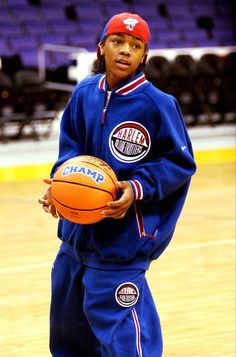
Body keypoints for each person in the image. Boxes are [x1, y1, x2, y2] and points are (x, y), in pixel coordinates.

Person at [38, 12, 196, 357]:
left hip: (120, 246)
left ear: (144, 57)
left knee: (125, 339)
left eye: (135, 45)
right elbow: (71, 152)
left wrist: (136, 188)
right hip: (74, 240)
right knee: (67, 336)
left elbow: (180, 162)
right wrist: (59, 186)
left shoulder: (158, 104)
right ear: (101, 48)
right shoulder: (83, 94)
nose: (125, 50)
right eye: (117, 42)